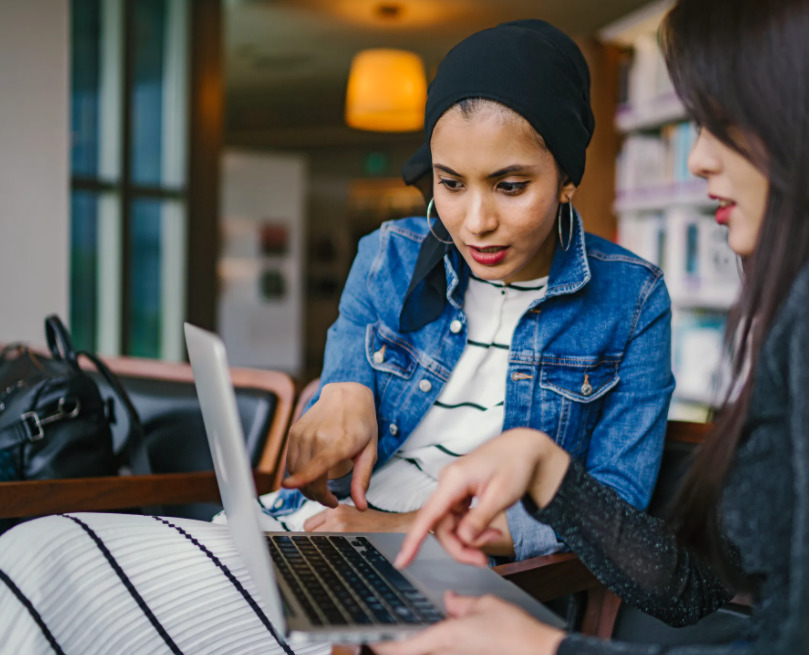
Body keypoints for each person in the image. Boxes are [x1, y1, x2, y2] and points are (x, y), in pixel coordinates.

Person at [0, 19, 674, 655]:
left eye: (510, 185)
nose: (475, 221)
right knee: (36, 554)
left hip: (452, 574)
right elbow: (344, 378)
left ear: (568, 179)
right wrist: (341, 387)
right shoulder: (390, 252)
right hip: (314, 530)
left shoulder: (632, 299)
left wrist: (402, 530)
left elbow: (608, 520)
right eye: (448, 183)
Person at [375, 1, 809, 654]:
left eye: (721, 122)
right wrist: (549, 474)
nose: (700, 159)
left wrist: (543, 649)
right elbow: (690, 588)